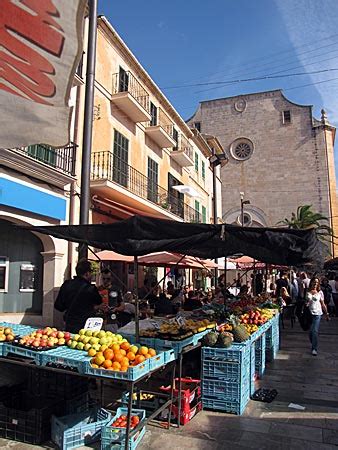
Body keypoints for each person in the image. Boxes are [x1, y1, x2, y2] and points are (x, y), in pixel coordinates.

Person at [54, 259, 102, 333]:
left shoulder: (66, 285)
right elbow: (99, 302)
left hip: (69, 323)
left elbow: (58, 306)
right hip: (86, 325)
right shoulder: (90, 288)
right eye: (91, 273)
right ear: (87, 273)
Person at [306, 278, 328, 356]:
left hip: (318, 313)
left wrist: (327, 313)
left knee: (314, 331)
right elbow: (305, 301)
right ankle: (314, 343)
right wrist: (306, 303)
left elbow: (323, 304)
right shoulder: (307, 291)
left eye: (317, 282)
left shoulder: (320, 292)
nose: (315, 283)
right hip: (309, 314)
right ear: (311, 282)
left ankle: (314, 348)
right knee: (310, 333)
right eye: (314, 282)